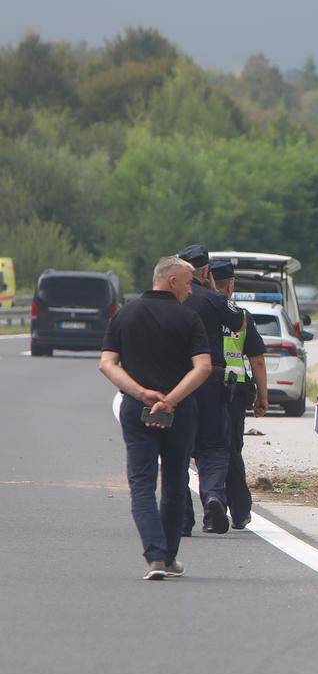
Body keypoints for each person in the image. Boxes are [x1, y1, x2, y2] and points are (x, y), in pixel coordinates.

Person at [98, 256, 213, 580]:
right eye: (189, 283)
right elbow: (202, 367)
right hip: (180, 411)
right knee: (176, 482)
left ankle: (155, 557)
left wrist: (141, 393)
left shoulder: (125, 314)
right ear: (173, 281)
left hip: (138, 408)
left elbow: (107, 363)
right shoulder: (189, 318)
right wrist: (172, 400)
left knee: (142, 485)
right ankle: (167, 556)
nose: (191, 291)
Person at [177, 243, 246, 535]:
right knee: (214, 448)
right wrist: (215, 289)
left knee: (176, 450)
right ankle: (214, 498)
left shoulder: (168, 300)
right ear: (205, 271)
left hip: (175, 386)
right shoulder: (212, 299)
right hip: (210, 384)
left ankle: (181, 517)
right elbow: (239, 321)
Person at [209, 260, 270, 529]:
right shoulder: (241, 316)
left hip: (204, 387)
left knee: (207, 448)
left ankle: (214, 498)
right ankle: (240, 510)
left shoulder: (199, 310)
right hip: (235, 390)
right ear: (231, 285)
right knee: (232, 449)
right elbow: (256, 359)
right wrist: (263, 396)